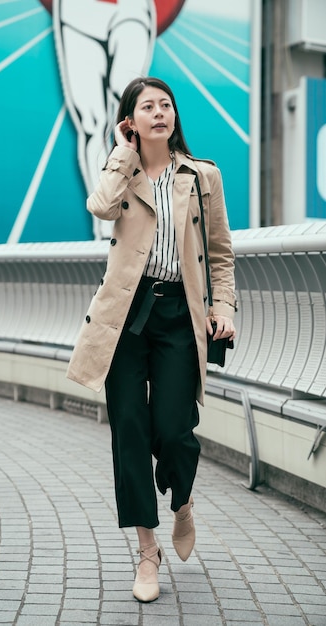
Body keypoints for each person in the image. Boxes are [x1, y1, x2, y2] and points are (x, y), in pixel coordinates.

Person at [66, 76, 237, 603]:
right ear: (131, 120)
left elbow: (222, 252)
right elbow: (100, 207)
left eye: (166, 105)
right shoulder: (123, 171)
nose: (159, 113)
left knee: (175, 430)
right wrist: (122, 153)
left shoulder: (202, 176)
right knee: (131, 433)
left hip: (179, 317)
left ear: (174, 116)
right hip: (125, 315)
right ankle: (146, 551)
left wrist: (224, 306)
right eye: (148, 107)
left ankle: (181, 498)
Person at [52, 0, 156, 240]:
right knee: (93, 124)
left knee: (133, 116)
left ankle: (144, 213)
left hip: (129, 10)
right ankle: (105, 226)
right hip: (79, 13)